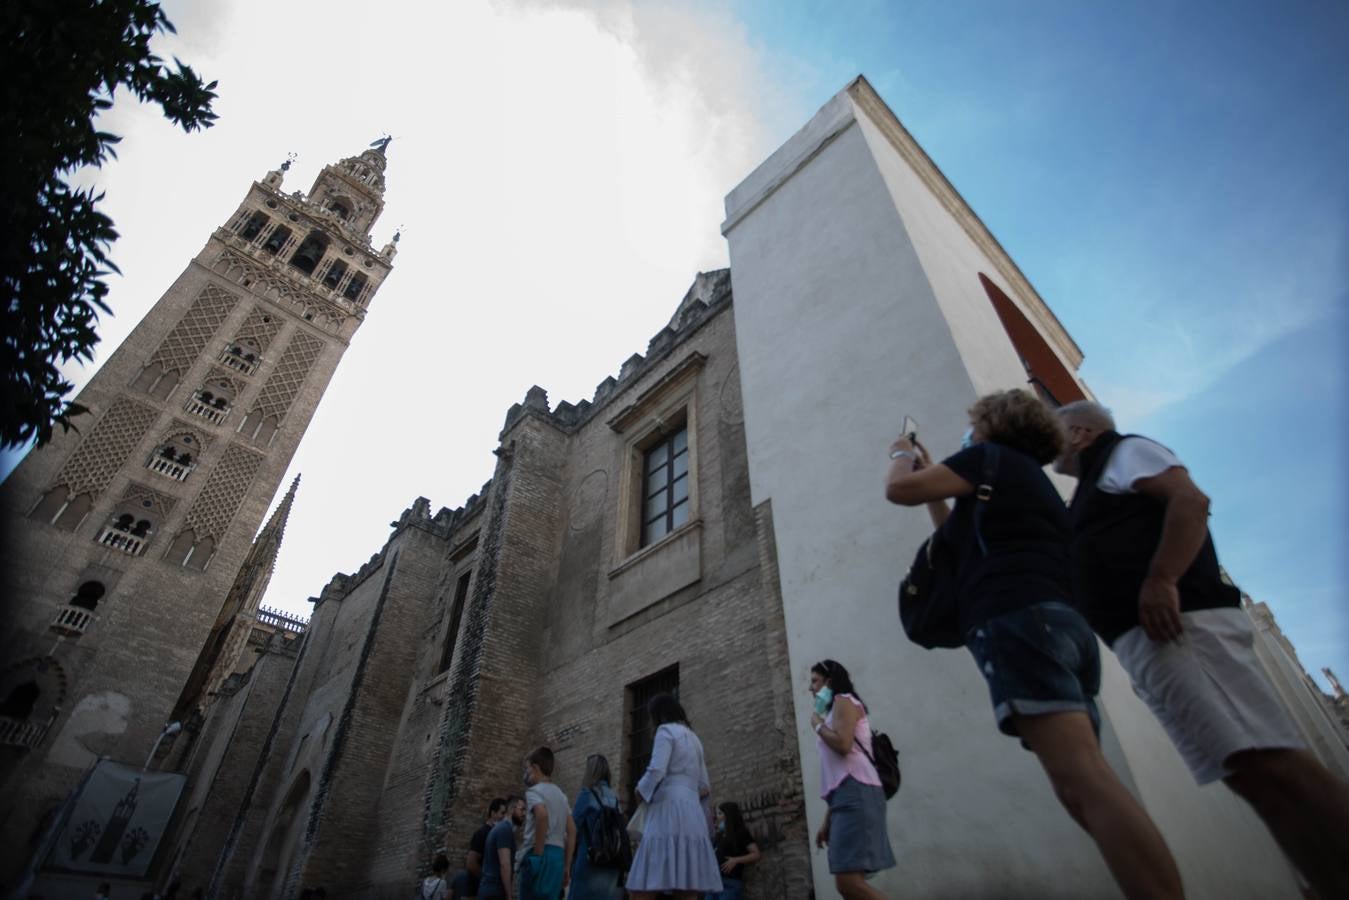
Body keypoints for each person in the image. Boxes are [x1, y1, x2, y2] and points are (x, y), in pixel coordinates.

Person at [885, 389, 1184, 900]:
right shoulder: (1025, 481)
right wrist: (936, 480)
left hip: (1017, 620)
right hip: (1061, 627)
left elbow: (898, 492)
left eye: (972, 427)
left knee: (1084, 780)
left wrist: (900, 456)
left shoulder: (988, 459)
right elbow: (957, 535)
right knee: (1079, 786)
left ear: (989, 428)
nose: (968, 434)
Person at [1056, 399, 1349, 898]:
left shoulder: (1124, 452)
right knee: (1250, 774)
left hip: (1182, 629)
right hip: (1154, 644)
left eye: (1056, 428)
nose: (1049, 437)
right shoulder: (1089, 489)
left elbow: (1189, 501)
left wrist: (1162, 578)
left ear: (1082, 433)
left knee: (1273, 761)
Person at [808, 660, 894, 899]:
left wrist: (816, 725)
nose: (811, 688)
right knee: (847, 885)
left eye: (815, 681)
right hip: (846, 797)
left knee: (848, 884)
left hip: (858, 793)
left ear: (830, 681)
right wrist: (829, 818)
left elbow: (844, 745)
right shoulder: (832, 713)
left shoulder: (843, 700)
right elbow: (839, 773)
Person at [625, 693, 723, 899]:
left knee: (642, 885)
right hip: (692, 814)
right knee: (687, 883)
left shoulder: (665, 731)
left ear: (658, 715)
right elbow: (704, 786)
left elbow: (656, 770)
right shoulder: (694, 738)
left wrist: (639, 791)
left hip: (668, 811)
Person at [518, 747, 575, 900]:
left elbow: (542, 815)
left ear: (535, 768)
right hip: (558, 857)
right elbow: (572, 830)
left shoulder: (534, 792)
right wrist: (567, 866)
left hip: (538, 852)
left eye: (528, 769)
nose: (527, 774)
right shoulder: (561, 795)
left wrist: (538, 853)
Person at [569, 754, 625, 899]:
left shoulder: (587, 795)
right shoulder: (615, 798)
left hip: (590, 861)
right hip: (612, 864)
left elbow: (572, 828)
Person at [452, 798, 508, 899]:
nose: (504, 817)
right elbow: (471, 863)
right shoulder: (482, 834)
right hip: (478, 890)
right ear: (493, 813)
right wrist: (487, 880)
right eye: (502, 813)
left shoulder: (497, 833)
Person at [707, 801, 760, 900]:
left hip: (730, 883)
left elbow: (756, 854)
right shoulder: (719, 835)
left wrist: (736, 860)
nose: (717, 817)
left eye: (720, 813)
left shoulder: (741, 833)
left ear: (728, 815)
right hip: (713, 884)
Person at [481, 796, 526, 900]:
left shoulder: (501, 828)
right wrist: (509, 896)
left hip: (491, 889)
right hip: (494, 891)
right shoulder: (504, 830)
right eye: (522, 809)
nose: (524, 814)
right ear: (511, 809)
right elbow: (504, 865)